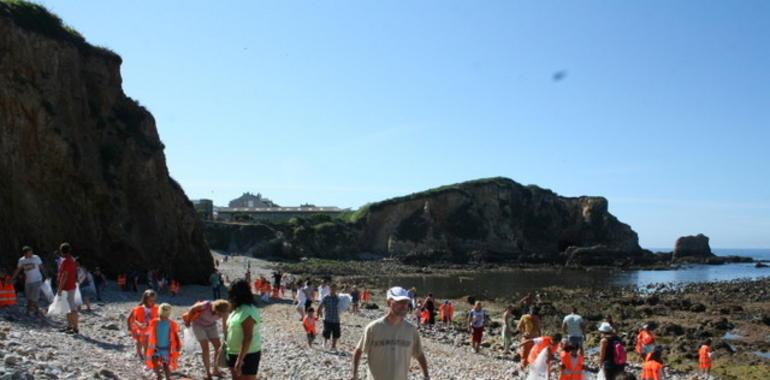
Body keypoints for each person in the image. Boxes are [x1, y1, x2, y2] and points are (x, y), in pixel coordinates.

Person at [351, 286, 429, 380]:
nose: (404, 306)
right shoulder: (373, 328)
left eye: (406, 302)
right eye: (399, 302)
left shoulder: (411, 330)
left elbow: (419, 354)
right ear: (388, 303)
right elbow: (358, 351)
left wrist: (426, 376)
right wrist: (354, 374)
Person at [184, 300, 231, 380]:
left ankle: (215, 369)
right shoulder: (205, 305)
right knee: (205, 348)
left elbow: (224, 325)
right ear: (215, 309)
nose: (220, 316)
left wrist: (226, 338)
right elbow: (192, 309)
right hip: (198, 325)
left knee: (218, 347)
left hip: (211, 326)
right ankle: (208, 372)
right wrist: (188, 321)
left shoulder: (224, 312)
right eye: (218, 314)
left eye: (221, 315)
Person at [224, 279, 261, 380]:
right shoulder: (236, 310)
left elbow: (248, 337)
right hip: (232, 352)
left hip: (248, 354)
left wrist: (240, 360)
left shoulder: (247, 311)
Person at [145, 303, 181, 380]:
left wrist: (178, 344)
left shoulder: (171, 324)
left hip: (165, 349)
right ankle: (159, 375)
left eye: (165, 315)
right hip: (156, 347)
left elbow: (175, 335)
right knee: (154, 360)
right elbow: (149, 330)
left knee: (165, 365)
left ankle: (168, 377)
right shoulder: (155, 322)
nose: (163, 317)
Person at [11, 246, 44, 317]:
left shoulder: (36, 258)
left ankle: (29, 311)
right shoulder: (21, 260)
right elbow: (18, 270)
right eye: (29, 253)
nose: (31, 254)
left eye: (32, 252)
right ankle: (36, 311)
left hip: (37, 280)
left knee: (34, 297)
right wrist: (12, 278)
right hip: (28, 281)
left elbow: (41, 267)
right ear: (25, 254)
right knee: (29, 298)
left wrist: (46, 276)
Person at [128, 290, 159, 360]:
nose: (152, 302)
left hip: (150, 329)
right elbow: (132, 319)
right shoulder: (139, 308)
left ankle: (146, 356)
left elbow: (158, 318)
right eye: (150, 300)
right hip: (140, 329)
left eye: (154, 300)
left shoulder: (156, 308)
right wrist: (138, 324)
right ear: (145, 299)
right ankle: (139, 353)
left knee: (147, 343)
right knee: (139, 342)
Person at [56, 242, 79, 334]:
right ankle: (70, 326)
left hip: (67, 287)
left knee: (71, 307)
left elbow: (64, 276)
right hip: (71, 286)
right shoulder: (72, 260)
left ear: (61, 251)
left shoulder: (66, 261)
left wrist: (59, 288)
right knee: (68, 307)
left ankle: (75, 327)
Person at [317, 283, 342, 349]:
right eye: (332, 288)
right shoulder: (326, 297)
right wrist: (319, 315)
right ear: (329, 289)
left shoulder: (338, 298)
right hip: (327, 318)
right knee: (326, 332)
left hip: (336, 318)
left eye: (335, 288)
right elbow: (320, 306)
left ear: (336, 289)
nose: (333, 290)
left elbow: (342, 307)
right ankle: (324, 343)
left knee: (336, 333)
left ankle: (333, 346)